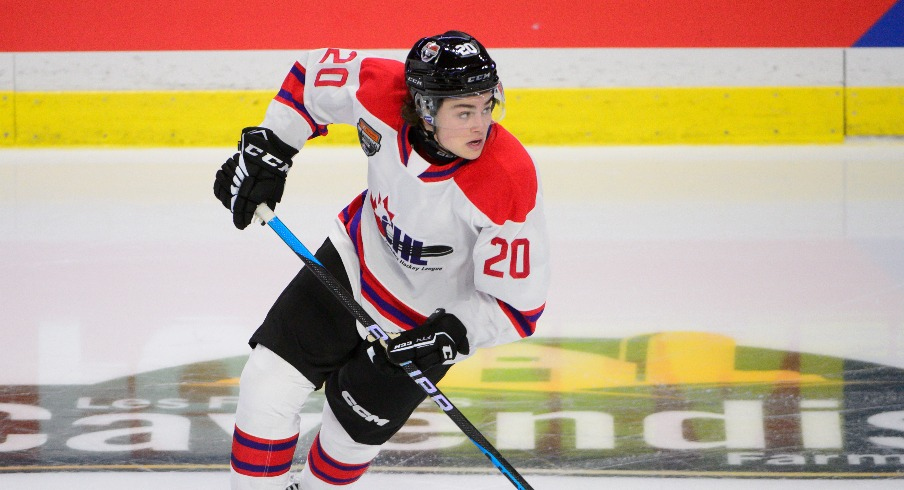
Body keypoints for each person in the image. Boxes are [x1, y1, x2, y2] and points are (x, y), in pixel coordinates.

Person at [213, 30, 550, 490]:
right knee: (266, 387)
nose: (481, 125)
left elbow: (518, 307)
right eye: (464, 112)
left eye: (488, 106)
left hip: (423, 321)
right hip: (353, 263)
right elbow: (311, 77)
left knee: (347, 437)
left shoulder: (507, 179)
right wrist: (272, 149)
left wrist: (449, 335)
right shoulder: (379, 90)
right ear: (426, 109)